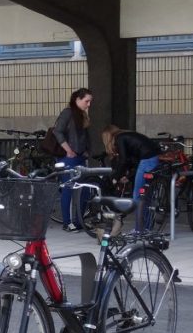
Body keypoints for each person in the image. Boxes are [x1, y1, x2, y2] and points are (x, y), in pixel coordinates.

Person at [102, 125, 161, 231]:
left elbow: (123, 160)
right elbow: (132, 160)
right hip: (152, 158)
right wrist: (127, 177)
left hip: (146, 160)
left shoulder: (119, 139)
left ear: (108, 137)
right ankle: (146, 227)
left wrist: (116, 178)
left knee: (137, 196)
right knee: (145, 196)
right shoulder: (127, 136)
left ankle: (139, 229)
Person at [53, 88, 93, 231]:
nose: (88, 104)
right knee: (69, 189)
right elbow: (57, 131)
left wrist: (87, 150)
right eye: (86, 101)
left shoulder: (81, 114)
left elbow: (84, 135)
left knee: (85, 190)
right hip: (69, 157)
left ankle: (79, 221)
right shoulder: (68, 112)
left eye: (90, 102)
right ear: (77, 99)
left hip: (80, 156)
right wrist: (68, 149)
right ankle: (68, 222)